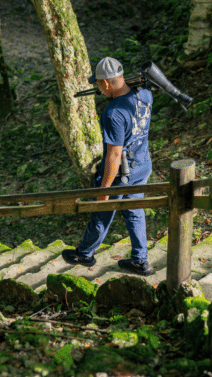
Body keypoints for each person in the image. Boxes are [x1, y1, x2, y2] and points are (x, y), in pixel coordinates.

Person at [62, 57, 154, 276]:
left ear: (105, 83)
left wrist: (103, 191)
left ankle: (84, 254)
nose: (98, 89)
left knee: (102, 209)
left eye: (98, 84)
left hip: (122, 171)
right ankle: (140, 261)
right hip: (142, 164)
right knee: (134, 209)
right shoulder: (145, 94)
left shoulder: (113, 113)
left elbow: (113, 154)